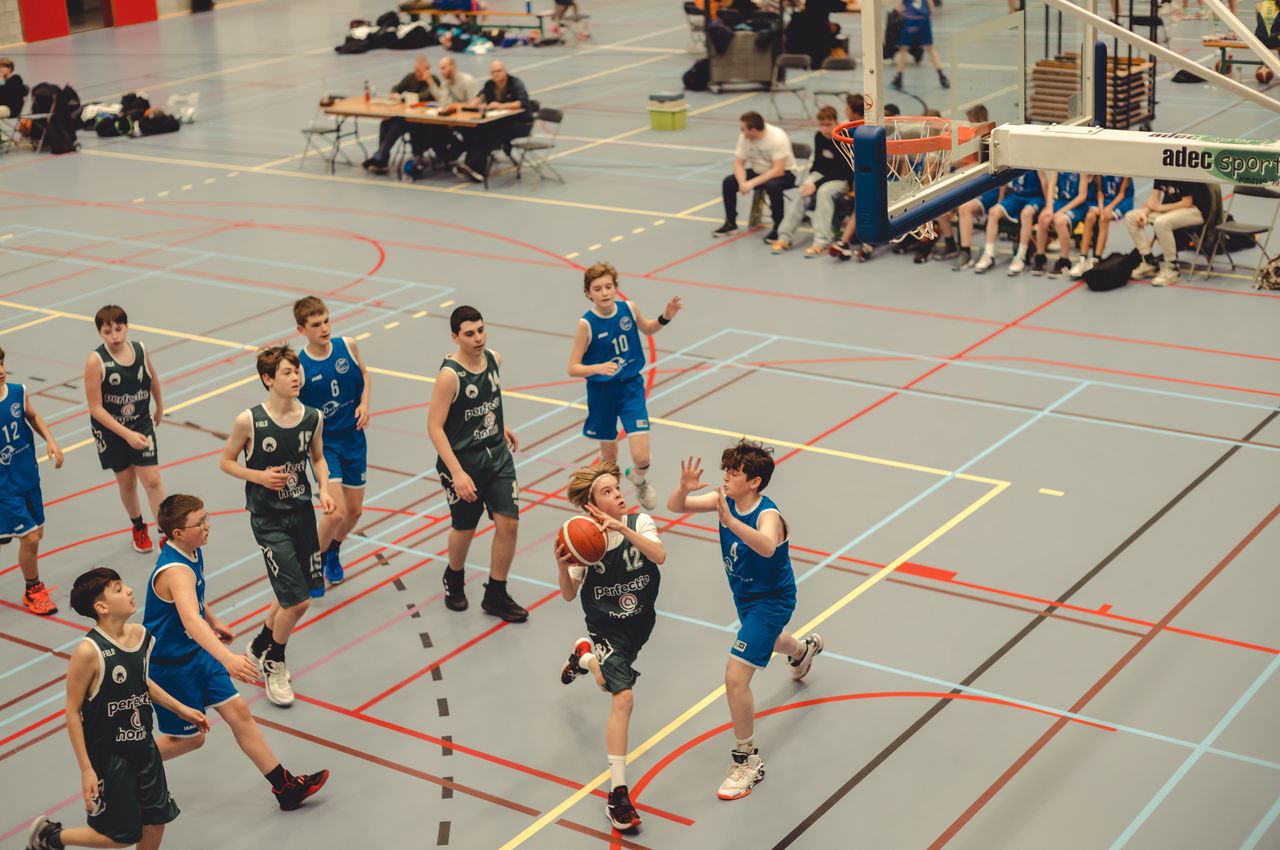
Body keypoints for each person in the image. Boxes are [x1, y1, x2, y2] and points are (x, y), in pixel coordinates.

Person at [144, 494, 330, 810]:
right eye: (199, 523)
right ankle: (121, 768)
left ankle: (284, 787)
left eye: (205, 518)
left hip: (197, 655)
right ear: (177, 533)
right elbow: (189, 617)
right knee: (192, 739)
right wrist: (228, 658)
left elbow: (191, 600)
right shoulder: (176, 569)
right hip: (172, 666)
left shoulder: (189, 551)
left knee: (239, 713)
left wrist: (213, 620)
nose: (207, 526)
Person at [666, 441, 823, 801]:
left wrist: (731, 521)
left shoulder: (768, 515)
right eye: (725, 471)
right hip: (746, 599)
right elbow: (675, 506)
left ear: (753, 482)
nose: (725, 478)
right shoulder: (726, 500)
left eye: (733, 473)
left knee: (735, 678)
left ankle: (747, 761)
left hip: (772, 601)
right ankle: (801, 651)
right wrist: (684, 489)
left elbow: (767, 546)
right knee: (769, 641)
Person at [26, 568, 207, 850]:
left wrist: (181, 708)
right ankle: (50, 837)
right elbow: (72, 712)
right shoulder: (88, 652)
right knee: (121, 838)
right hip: (109, 756)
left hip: (145, 747)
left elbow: (142, 682)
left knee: (156, 822)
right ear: (101, 606)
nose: (130, 591)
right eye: (120, 589)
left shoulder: (140, 635)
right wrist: (87, 770)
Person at [219, 346, 336, 707]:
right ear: (268, 379)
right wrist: (258, 475)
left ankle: (258, 645)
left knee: (292, 593)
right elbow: (226, 462)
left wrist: (325, 490)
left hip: (302, 514)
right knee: (298, 601)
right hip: (268, 520)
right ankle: (274, 660)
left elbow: (317, 458)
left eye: (297, 371)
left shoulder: (313, 417)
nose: (296, 377)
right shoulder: (249, 421)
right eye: (287, 372)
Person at [555, 462, 666, 832]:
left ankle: (583, 656)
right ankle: (617, 794)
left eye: (616, 488)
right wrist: (561, 567)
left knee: (605, 683)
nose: (617, 493)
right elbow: (569, 595)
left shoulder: (639, 524)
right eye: (607, 491)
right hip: (607, 629)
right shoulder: (585, 542)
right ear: (592, 506)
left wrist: (621, 527)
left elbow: (659, 556)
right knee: (623, 698)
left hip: (640, 625)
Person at [427, 306, 528, 622]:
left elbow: (487, 402)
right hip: (464, 462)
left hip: (496, 455)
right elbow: (434, 426)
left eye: (481, 330)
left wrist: (501, 425)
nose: (478, 338)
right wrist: (457, 473)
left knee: (508, 523)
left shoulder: (495, 359)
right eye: (469, 333)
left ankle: (496, 593)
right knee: (465, 527)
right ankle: (454, 576)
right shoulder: (449, 376)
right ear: (455, 337)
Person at [567, 263, 683, 510]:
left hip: (631, 388)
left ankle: (639, 480)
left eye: (609, 287)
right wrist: (596, 368)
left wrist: (666, 316)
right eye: (598, 289)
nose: (605, 292)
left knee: (642, 457)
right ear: (589, 293)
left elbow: (649, 328)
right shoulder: (586, 324)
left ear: (616, 288)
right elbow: (573, 367)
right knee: (609, 458)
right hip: (602, 394)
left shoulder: (628, 309)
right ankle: (610, 504)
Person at [294, 296, 371, 593]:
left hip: (354, 438)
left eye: (326, 320)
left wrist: (365, 403)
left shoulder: (347, 346)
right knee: (335, 512)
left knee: (353, 512)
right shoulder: (299, 367)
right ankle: (312, 563)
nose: (324, 328)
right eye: (316, 324)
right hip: (325, 447)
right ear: (302, 330)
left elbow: (364, 374)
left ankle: (333, 549)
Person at [84, 305, 166, 555]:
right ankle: (138, 526)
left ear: (126, 327)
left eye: (119, 329)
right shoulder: (96, 361)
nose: (115, 336)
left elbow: (153, 378)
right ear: (101, 333)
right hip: (111, 430)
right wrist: (126, 435)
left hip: (140, 422)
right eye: (108, 331)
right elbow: (95, 408)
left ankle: (165, 533)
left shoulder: (140, 349)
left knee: (152, 479)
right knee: (127, 482)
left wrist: (160, 407)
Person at [0, 345, 63, 616]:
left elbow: (32, 415)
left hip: (28, 478)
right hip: (4, 488)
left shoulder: (17, 392)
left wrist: (51, 442)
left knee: (37, 534)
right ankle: (33, 590)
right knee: (31, 539)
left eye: (2, 363)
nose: (1, 371)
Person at [772, 106, 855, 256]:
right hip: (822, 176)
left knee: (823, 192)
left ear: (836, 122)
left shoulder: (843, 138)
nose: (825, 129)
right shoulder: (819, 137)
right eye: (821, 125)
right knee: (802, 190)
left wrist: (816, 185)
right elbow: (818, 163)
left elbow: (841, 171)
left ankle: (821, 241)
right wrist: (810, 180)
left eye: (828, 125)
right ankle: (784, 236)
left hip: (842, 180)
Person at [713, 111, 798, 243]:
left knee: (773, 186)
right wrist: (742, 183)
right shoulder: (745, 137)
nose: (742, 132)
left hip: (785, 173)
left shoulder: (777, 137)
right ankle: (731, 224)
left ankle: (778, 228)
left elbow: (778, 170)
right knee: (729, 182)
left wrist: (751, 184)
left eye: (743, 129)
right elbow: (739, 163)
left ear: (752, 130)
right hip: (758, 171)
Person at [453, 60, 534, 183]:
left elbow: (523, 103)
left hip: (520, 123)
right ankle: (469, 166)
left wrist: (501, 106)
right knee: (476, 131)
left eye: (498, 71)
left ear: (505, 71)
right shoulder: (490, 84)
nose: (496, 74)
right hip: (499, 122)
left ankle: (478, 169)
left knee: (490, 135)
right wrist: (471, 106)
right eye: (493, 72)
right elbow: (478, 98)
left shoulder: (515, 83)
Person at [362, 55, 441, 174]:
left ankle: (379, 155)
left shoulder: (433, 81)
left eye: (422, 70)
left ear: (428, 69)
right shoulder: (410, 77)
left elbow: (423, 97)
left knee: (399, 122)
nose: (419, 73)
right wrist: (395, 94)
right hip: (407, 116)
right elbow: (396, 88)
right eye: (417, 70)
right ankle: (383, 158)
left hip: (423, 121)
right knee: (386, 122)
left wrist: (403, 98)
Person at [1124, 179, 1210, 286]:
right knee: (1131, 217)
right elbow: (1153, 200)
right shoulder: (1160, 173)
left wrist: (1161, 207)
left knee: (1161, 223)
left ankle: (1172, 268)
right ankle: (1149, 262)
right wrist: (1144, 213)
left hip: (1195, 212)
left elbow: (1187, 203)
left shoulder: (1182, 173)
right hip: (1171, 211)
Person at [973, 170, 1049, 275]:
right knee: (993, 212)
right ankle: (988, 254)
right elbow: (1004, 179)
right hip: (1016, 196)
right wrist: (1001, 198)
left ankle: (1020, 256)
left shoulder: (1035, 159)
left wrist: (1048, 205)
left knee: (1026, 214)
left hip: (1034, 197)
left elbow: (1044, 181)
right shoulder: (1014, 159)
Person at [1070, 174, 1134, 278]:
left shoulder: (1124, 172)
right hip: (1104, 200)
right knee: (1090, 217)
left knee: (1104, 218)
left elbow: (1121, 194)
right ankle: (1082, 258)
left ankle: (1096, 258)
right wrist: (1100, 206)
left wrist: (1108, 208)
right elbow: (1100, 191)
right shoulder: (1102, 169)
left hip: (1120, 201)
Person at [1031, 170, 1089, 276]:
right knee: (1043, 218)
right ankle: (1040, 256)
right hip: (1060, 203)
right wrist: (1049, 207)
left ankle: (1064, 260)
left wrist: (1061, 212)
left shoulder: (1082, 168)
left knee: (1060, 221)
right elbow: (1051, 187)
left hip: (1077, 206)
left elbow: (1082, 196)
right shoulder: (1059, 165)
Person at [891, 0, 950, 92]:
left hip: (910, 19)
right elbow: (931, 4)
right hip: (924, 19)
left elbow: (899, 7)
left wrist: (899, 16)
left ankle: (899, 77)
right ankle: (941, 75)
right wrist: (930, 13)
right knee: (931, 49)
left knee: (903, 49)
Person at [951, 187, 1001, 271]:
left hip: (988, 192)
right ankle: (949, 244)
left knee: (964, 208)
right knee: (940, 205)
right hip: (969, 190)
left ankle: (965, 252)